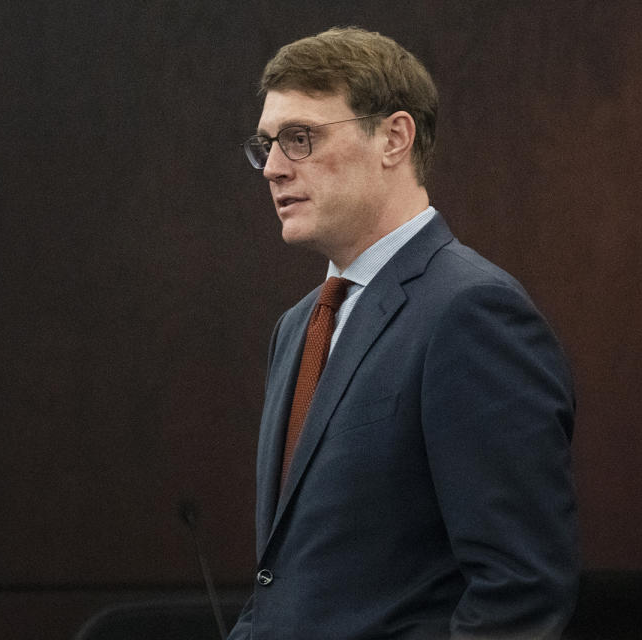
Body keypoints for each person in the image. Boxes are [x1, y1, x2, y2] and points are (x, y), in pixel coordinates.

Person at [229, 27, 578, 639]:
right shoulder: (298, 326)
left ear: (393, 137)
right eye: (266, 145)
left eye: (300, 139)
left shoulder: (473, 312)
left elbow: (520, 592)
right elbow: (285, 584)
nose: (274, 169)